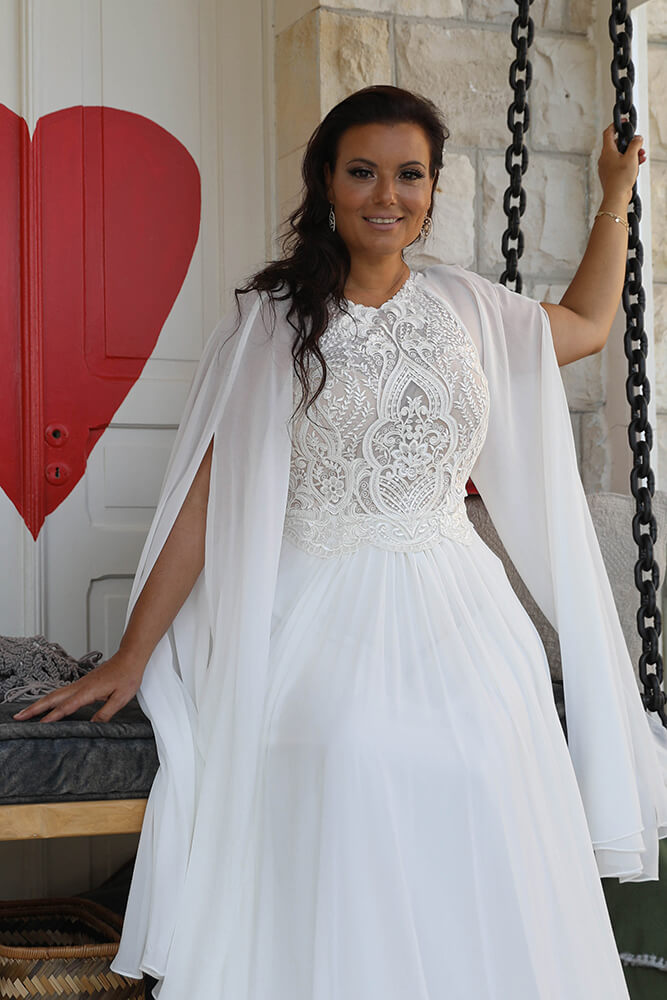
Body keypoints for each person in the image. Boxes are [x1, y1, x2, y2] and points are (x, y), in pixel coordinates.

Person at [13, 85, 667, 999]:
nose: (386, 195)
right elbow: (209, 497)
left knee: (487, 765)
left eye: (409, 175)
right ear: (326, 181)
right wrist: (133, 652)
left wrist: (615, 194)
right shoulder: (272, 322)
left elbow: (590, 326)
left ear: (432, 188)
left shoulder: (470, 310)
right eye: (362, 172)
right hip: (317, 600)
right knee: (355, 753)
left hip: (461, 608)